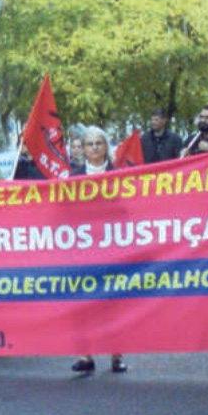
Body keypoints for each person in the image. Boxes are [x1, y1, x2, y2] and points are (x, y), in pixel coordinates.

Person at [69, 128, 125, 374]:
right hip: (83, 249)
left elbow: (128, 208)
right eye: (89, 144)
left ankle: (116, 355)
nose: (93, 148)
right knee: (83, 302)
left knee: (112, 303)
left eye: (98, 143)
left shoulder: (120, 175)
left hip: (112, 246)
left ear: (106, 147)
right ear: (82, 148)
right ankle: (85, 355)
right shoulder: (72, 177)